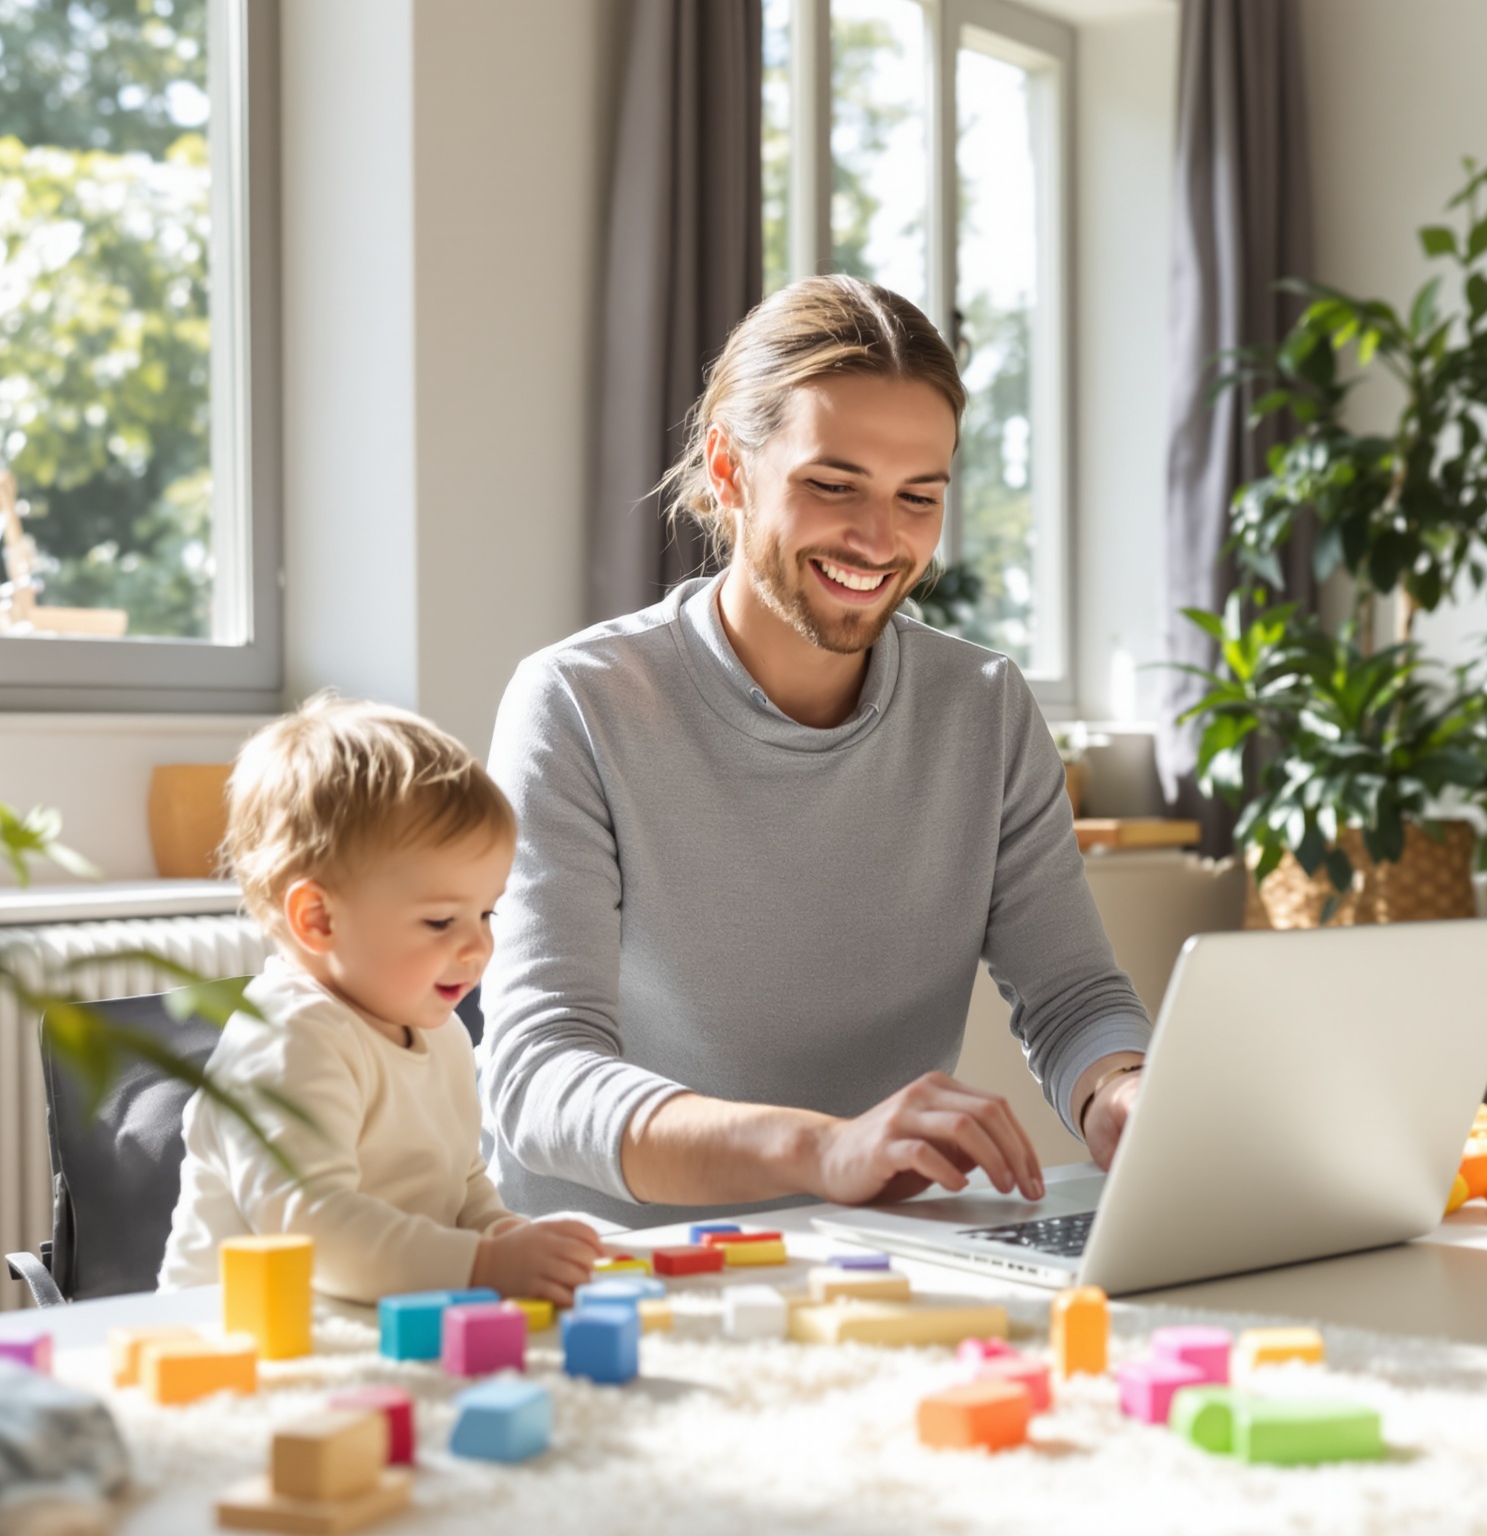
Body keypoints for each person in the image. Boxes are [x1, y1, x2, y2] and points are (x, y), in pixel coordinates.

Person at [479, 275, 1152, 1227]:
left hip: (870, 1259)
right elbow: (539, 1077)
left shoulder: (984, 708)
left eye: (919, 496)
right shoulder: (579, 703)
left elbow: (1074, 997)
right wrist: (820, 1148)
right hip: (608, 1273)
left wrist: (1121, 1093)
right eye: (832, 485)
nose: (880, 540)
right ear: (727, 471)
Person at [159, 694, 606, 1302]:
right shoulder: (287, 1040)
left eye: (486, 912)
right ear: (318, 919)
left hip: (377, 1327)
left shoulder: (441, 1030)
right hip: (236, 1347)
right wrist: (483, 1265)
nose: (479, 946)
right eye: (441, 922)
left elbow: (462, 1183)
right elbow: (310, 1229)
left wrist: (506, 1237)